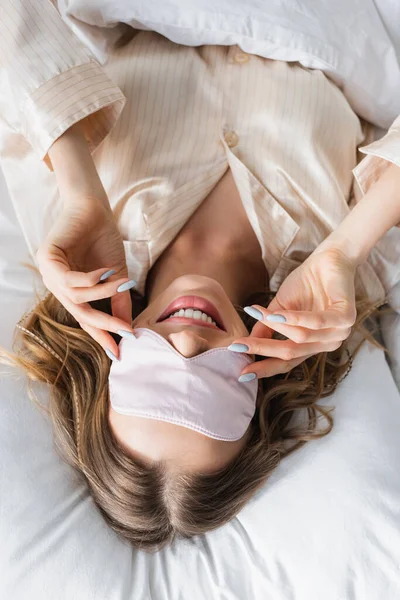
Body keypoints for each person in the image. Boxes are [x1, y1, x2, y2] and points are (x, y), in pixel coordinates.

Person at [0, 0, 399, 552]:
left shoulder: (74, 237)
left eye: (157, 372)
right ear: (256, 392)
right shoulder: (344, 278)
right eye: (209, 383)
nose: (187, 339)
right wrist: (348, 247)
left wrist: (80, 186)